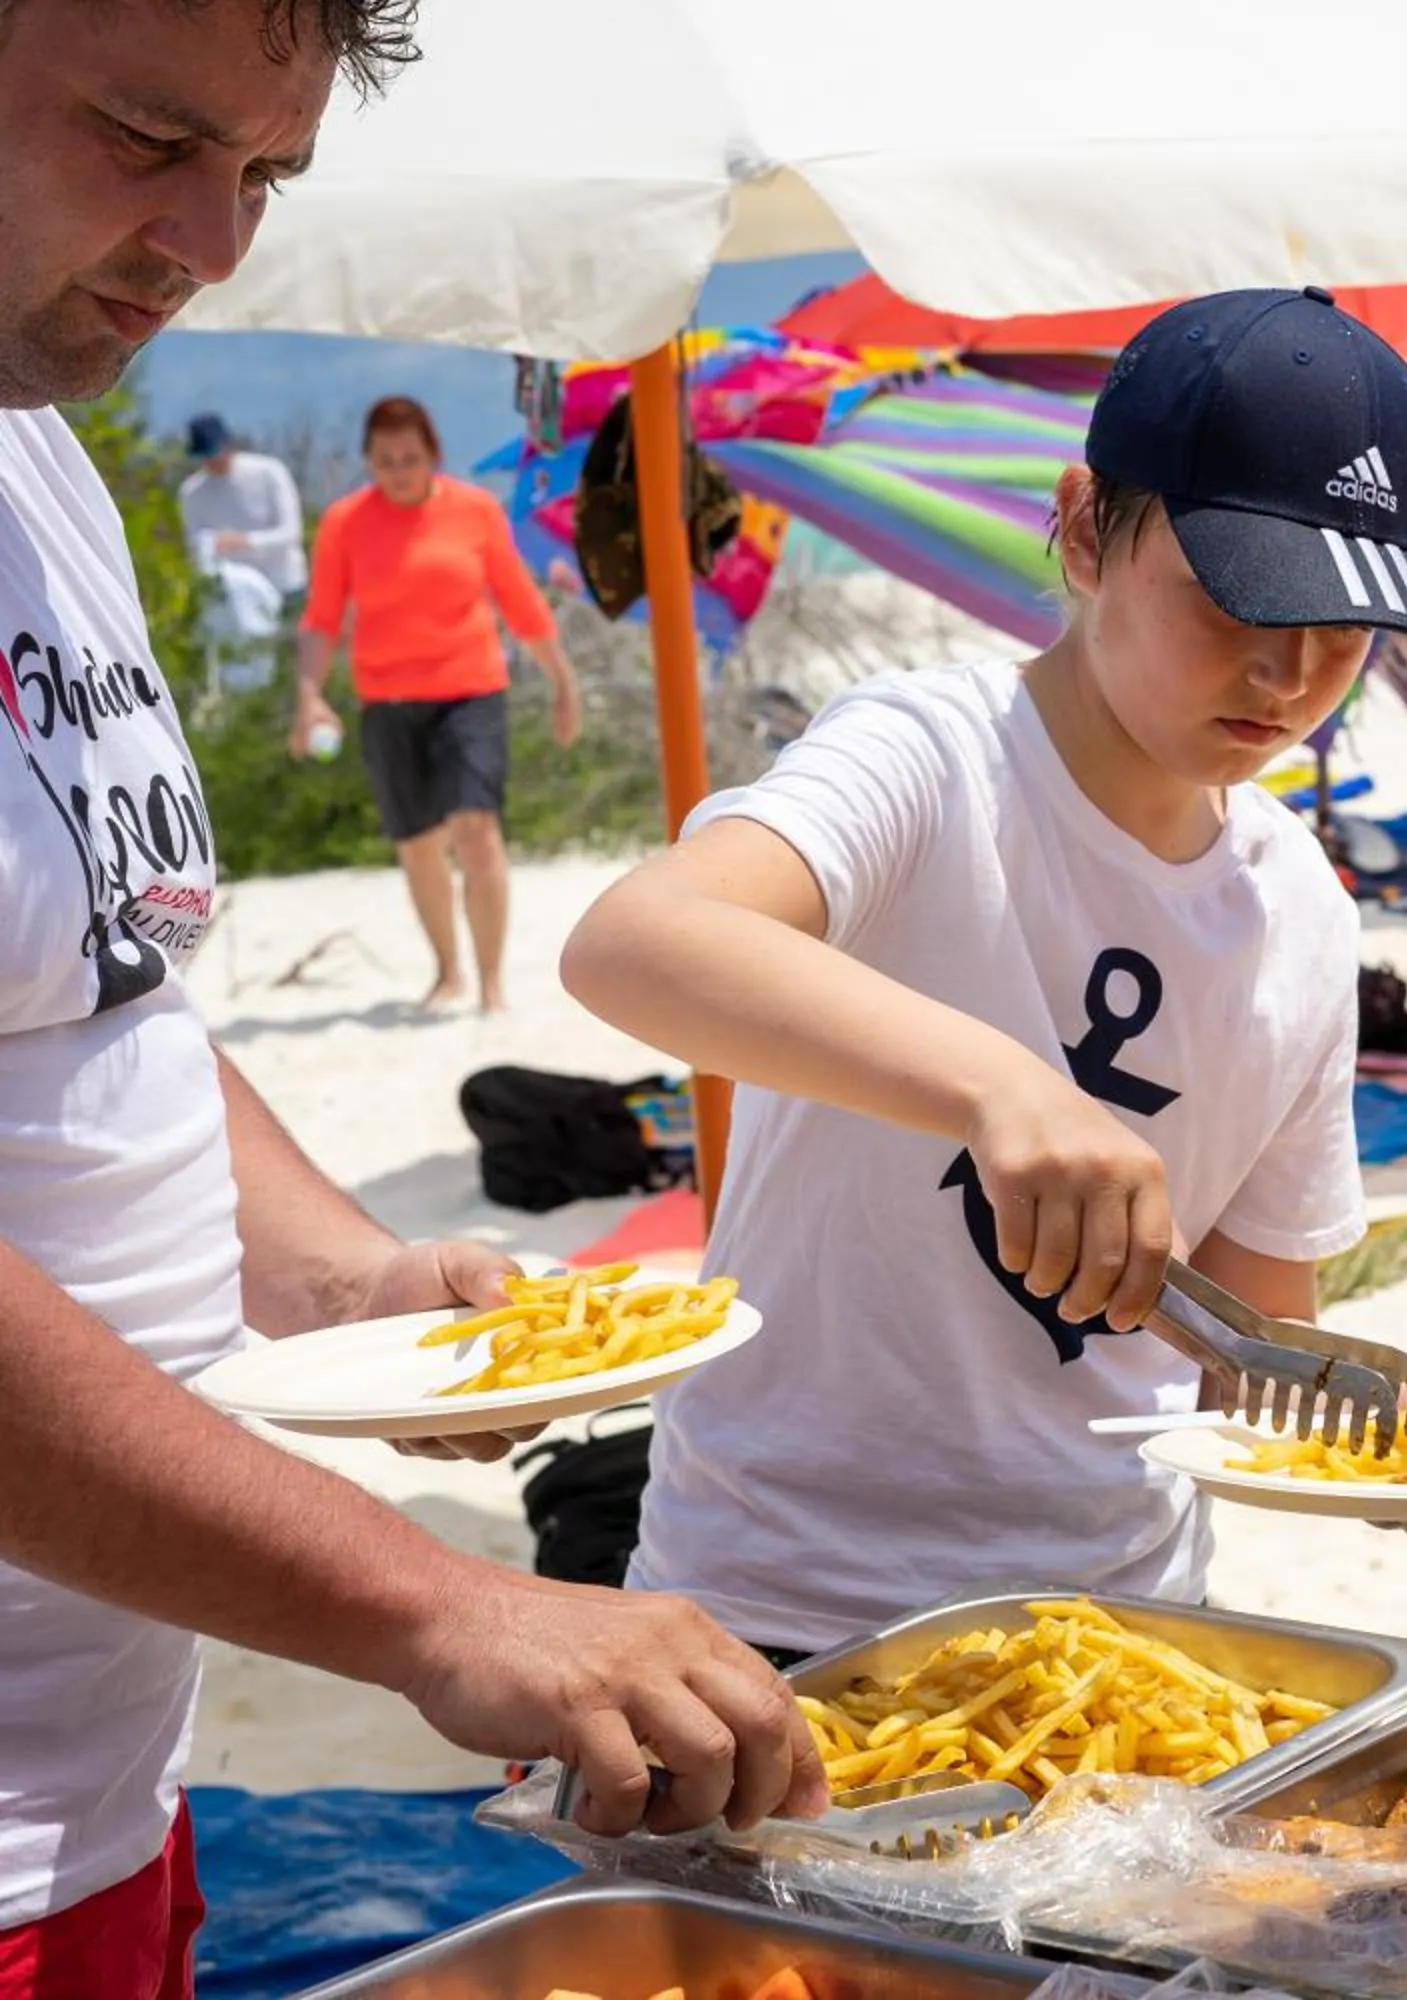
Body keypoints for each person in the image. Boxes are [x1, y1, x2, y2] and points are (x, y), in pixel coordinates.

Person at [0, 0, 822, 1983]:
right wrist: (440, 1608)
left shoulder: (45, 470)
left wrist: (353, 1276)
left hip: (104, 1772)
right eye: (145, 136)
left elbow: (106, 1011)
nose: (214, 249)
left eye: (262, 177)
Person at [563, 289, 1407, 1661]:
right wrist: (1004, 1087)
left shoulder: (1299, 901)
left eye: (1345, 629)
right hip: (781, 1604)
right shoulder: (929, 756)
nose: (1289, 672)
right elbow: (636, 944)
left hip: (1125, 1621)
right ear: (1080, 528)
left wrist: (1370, 1444)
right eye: (1235, 597)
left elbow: (1248, 1337)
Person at [295, 395, 584, 1012]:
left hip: (469, 692)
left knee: (476, 831)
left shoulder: (475, 512)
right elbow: (322, 619)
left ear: (434, 456)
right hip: (387, 700)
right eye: (385, 460)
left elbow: (521, 604)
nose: (398, 471)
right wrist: (308, 696)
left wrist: (562, 682)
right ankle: (448, 971)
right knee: (419, 844)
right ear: (368, 461)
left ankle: (492, 986)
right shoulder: (346, 522)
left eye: (410, 458)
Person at [174, 412, 306, 604]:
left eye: (215, 453)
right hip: (236, 596)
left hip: (284, 585)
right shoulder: (192, 493)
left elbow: (291, 533)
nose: (213, 462)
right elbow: (194, 544)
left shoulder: (269, 473)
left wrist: (246, 541)